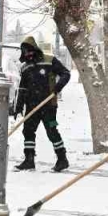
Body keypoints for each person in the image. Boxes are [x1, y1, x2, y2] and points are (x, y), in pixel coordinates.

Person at [12, 36, 72, 172]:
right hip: (31, 106)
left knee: (52, 130)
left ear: (34, 49)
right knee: (28, 131)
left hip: (49, 105)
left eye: (29, 51)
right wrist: (19, 107)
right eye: (25, 52)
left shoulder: (49, 60)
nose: (27, 55)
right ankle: (29, 160)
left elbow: (65, 74)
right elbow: (22, 89)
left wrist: (57, 87)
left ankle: (62, 159)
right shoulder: (25, 67)